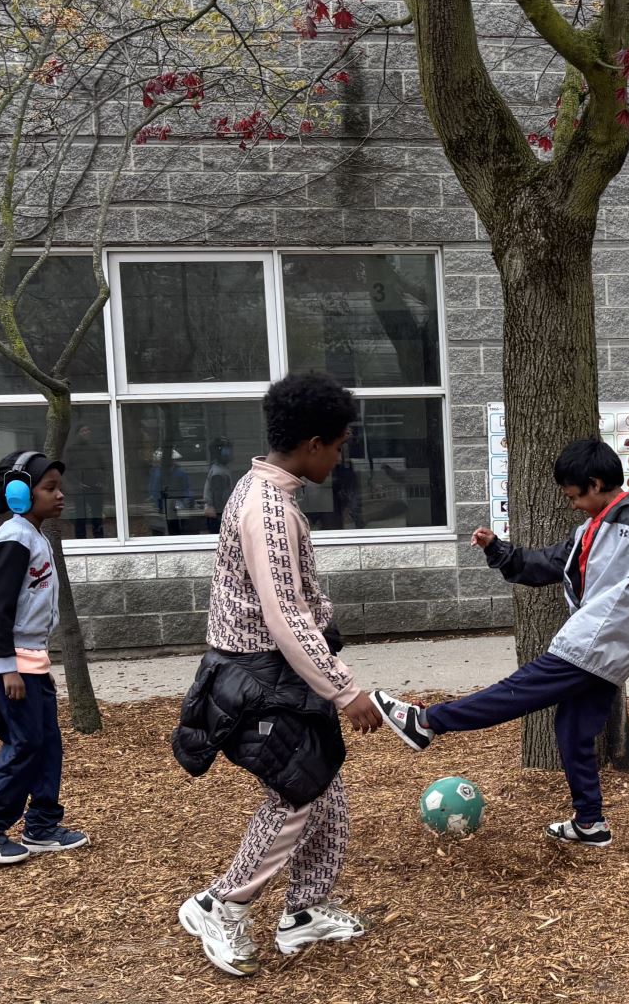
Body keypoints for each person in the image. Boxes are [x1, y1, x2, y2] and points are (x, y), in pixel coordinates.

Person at [373, 437, 629, 848]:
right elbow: (546, 564)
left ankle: (426, 722)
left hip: (594, 642)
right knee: (573, 730)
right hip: (607, 650)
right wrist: (499, 551)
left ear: (595, 484)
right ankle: (590, 823)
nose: (571, 504)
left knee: (515, 692)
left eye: (573, 495)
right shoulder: (589, 530)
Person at [171, 372, 382, 977]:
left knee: (322, 788)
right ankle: (221, 906)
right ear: (312, 444)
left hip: (276, 675)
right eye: (338, 446)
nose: (340, 458)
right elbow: (284, 615)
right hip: (260, 679)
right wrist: (345, 691)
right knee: (297, 792)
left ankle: (304, 912)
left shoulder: (263, 490)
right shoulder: (267, 510)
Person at [0, 449, 89, 865]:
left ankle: (42, 826)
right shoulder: (13, 539)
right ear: (19, 494)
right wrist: (7, 667)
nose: (60, 495)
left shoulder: (33, 536)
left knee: (47, 745)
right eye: (50, 488)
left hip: (31, 661)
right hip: (7, 666)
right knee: (26, 745)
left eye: (59, 487)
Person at [65, 422, 108, 539]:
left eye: (87, 430)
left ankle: (99, 539)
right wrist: (76, 483)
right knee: (80, 516)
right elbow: (67, 470)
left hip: (95, 488)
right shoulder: (72, 450)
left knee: (97, 516)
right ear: (77, 434)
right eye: (83, 431)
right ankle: (81, 540)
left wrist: (101, 481)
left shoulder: (95, 449)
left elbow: (103, 467)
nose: (86, 433)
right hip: (80, 490)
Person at [201, 436, 235, 534]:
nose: (229, 453)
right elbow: (218, 501)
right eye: (226, 451)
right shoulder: (218, 473)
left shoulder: (220, 468)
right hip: (218, 517)